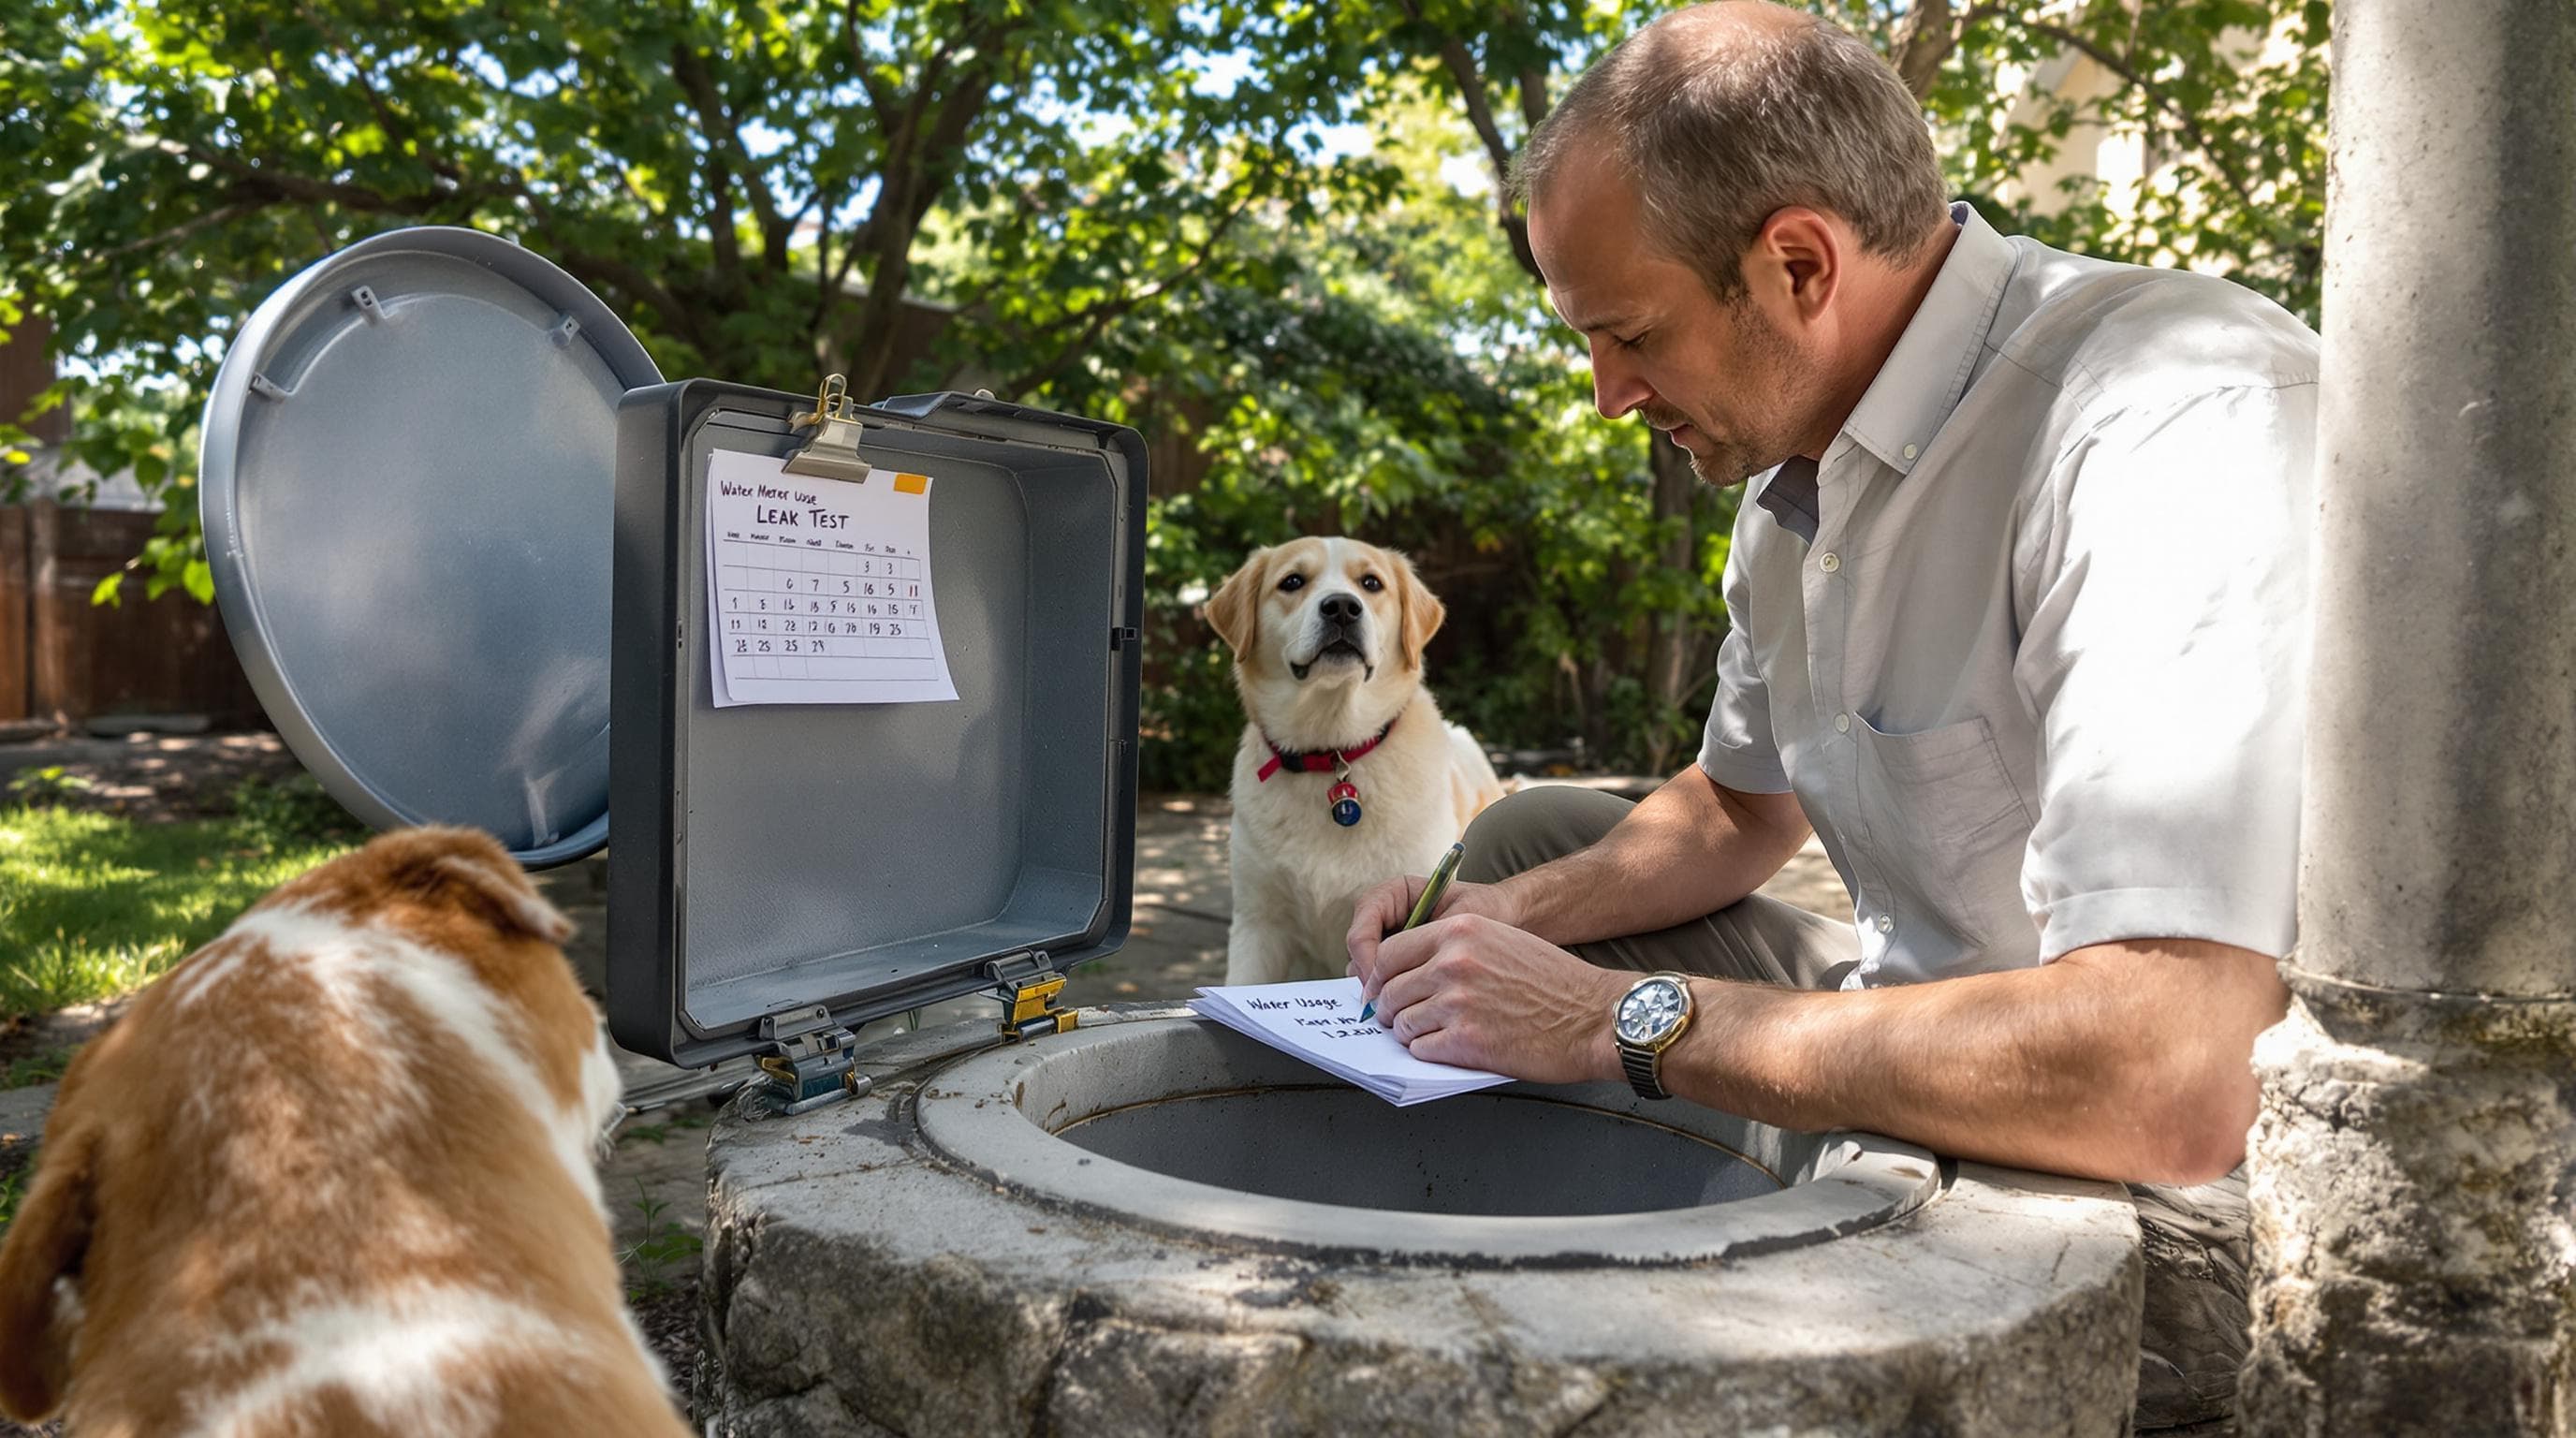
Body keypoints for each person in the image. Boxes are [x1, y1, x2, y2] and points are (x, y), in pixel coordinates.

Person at [1342, 2, 2314, 1427]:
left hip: (2158, 1172)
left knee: (1590, 1003)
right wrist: (1498, 924)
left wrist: (1621, 1020)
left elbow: (2173, 1069)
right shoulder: (1795, 479)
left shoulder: (2166, 417)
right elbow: (1738, 808)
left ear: (1799, 263)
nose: (1609, 397)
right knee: (1532, 840)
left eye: (1630, 335)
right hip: (1920, 1031)